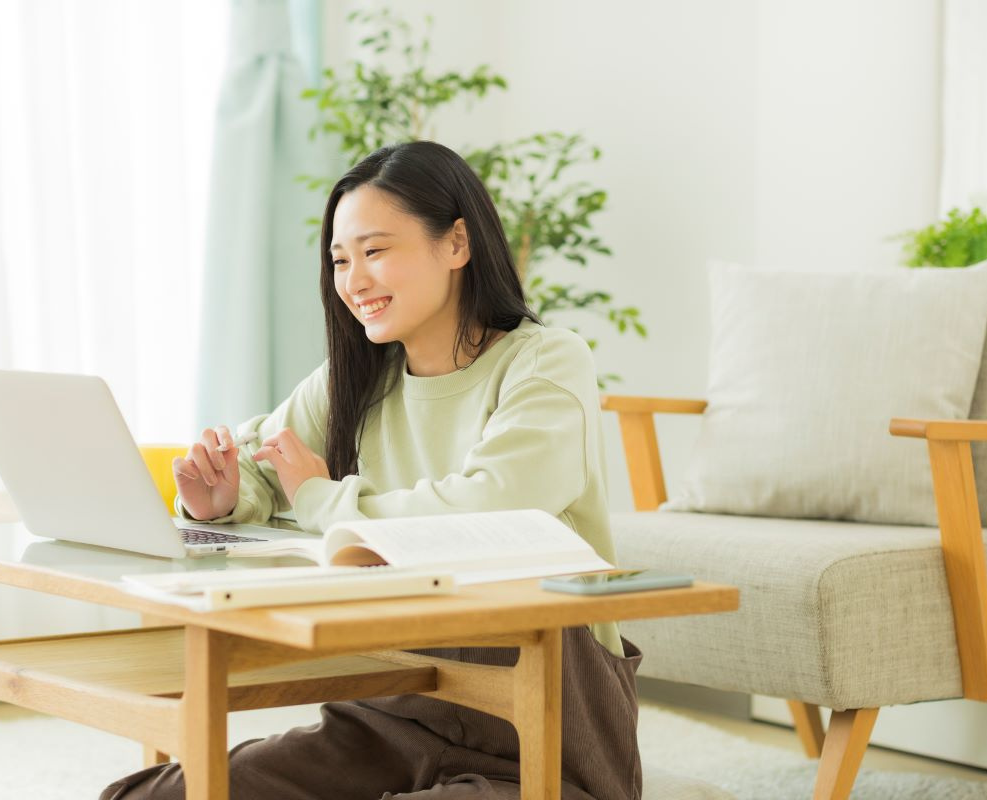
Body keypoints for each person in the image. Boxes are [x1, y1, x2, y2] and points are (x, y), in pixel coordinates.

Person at [100, 140, 643, 800]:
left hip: (540, 738)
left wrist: (325, 501)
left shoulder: (547, 362)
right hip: (390, 715)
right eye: (339, 260)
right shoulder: (357, 377)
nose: (354, 280)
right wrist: (225, 497)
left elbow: (498, 511)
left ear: (458, 244)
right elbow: (270, 462)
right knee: (160, 795)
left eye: (376, 251)